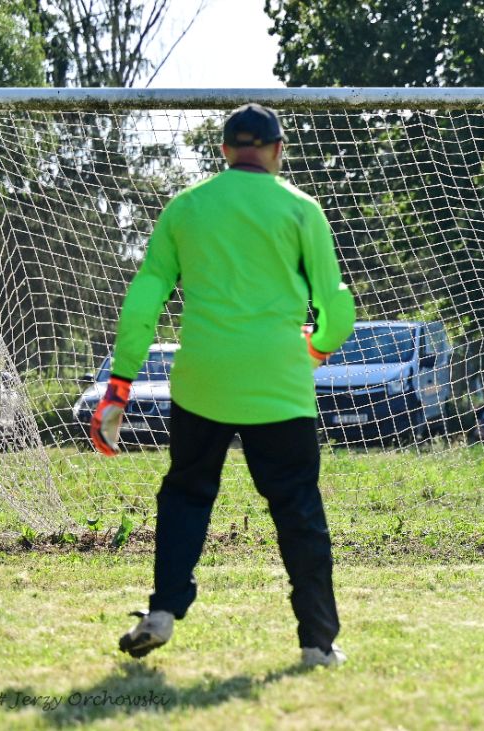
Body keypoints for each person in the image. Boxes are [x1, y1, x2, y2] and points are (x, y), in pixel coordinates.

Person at [93, 103, 356, 667]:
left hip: (202, 382)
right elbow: (336, 308)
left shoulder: (187, 207)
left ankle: (162, 611)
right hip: (278, 384)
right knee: (298, 509)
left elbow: (146, 297)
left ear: (223, 152)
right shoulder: (300, 209)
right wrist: (313, 350)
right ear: (278, 150)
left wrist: (119, 382)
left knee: (186, 494)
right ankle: (317, 644)